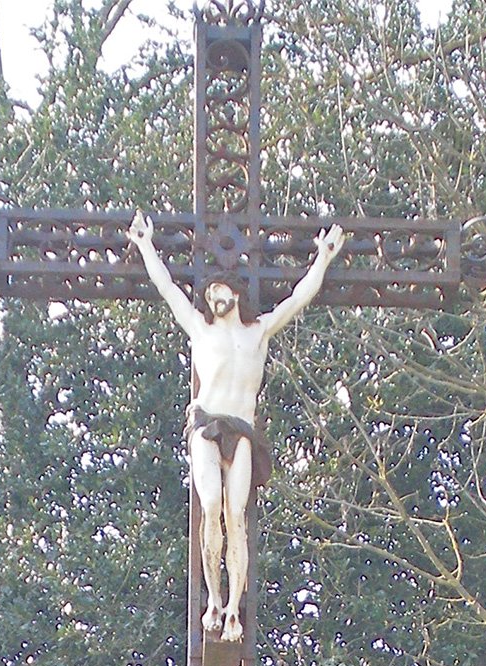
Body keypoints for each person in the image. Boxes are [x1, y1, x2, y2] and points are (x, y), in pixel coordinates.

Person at [127, 210, 345, 642]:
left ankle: (232, 609)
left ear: (235, 293)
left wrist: (323, 257)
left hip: (242, 430)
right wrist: (146, 245)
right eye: (209, 293)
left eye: (220, 290)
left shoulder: (258, 332)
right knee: (210, 507)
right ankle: (212, 598)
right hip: (206, 425)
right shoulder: (199, 330)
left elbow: (299, 298)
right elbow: (167, 288)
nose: (213, 298)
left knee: (236, 515)